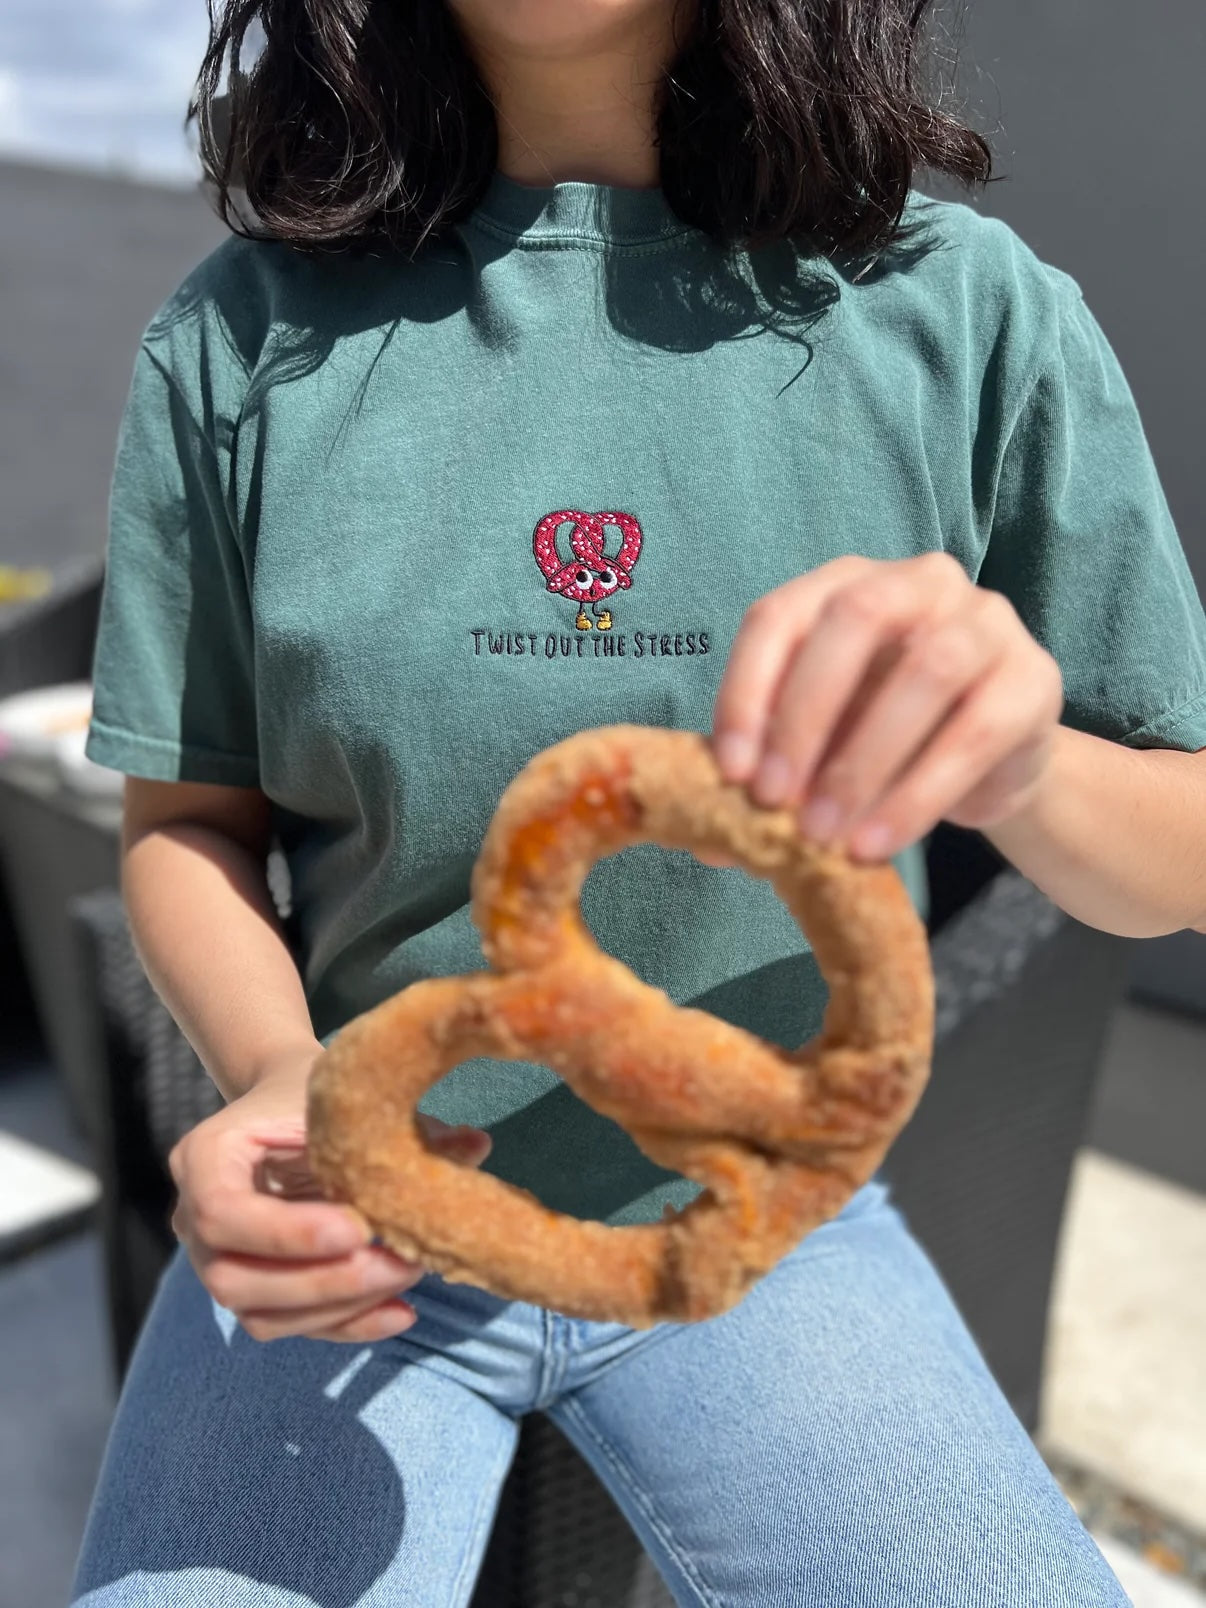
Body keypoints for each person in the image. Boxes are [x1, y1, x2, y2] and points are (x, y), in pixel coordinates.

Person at [71, 0, 1206, 1602]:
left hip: (763, 1219)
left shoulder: (971, 316)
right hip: (364, 1201)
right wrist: (274, 1072)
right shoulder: (240, 338)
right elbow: (189, 826)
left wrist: (1015, 762)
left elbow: (1183, 850)